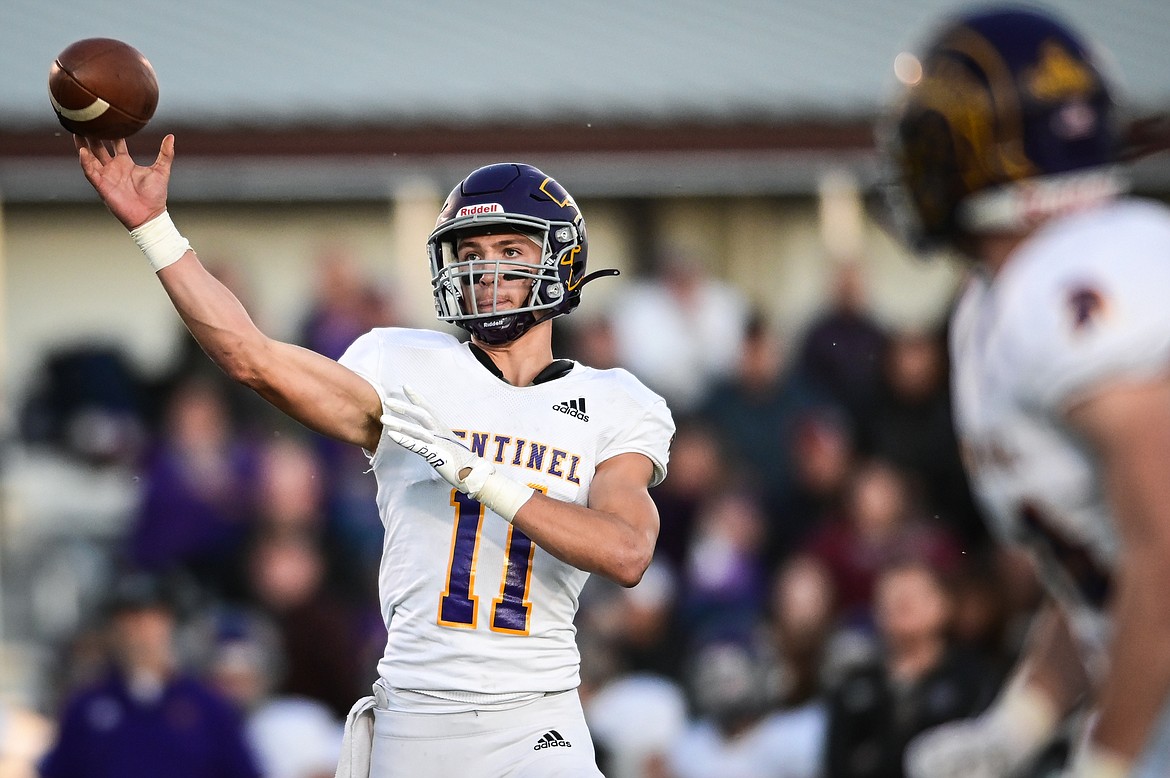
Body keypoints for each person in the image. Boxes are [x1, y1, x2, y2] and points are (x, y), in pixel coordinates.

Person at [72, 138, 674, 778]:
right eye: (469, 253)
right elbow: (252, 357)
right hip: (418, 714)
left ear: (560, 260)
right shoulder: (404, 364)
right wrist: (155, 230)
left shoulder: (612, 401)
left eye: (509, 250)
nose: (485, 270)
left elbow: (627, 551)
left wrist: (483, 477)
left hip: (537, 718)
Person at [880, 6, 1170, 776]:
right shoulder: (1000, 300)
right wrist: (1020, 720)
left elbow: (1167, 548)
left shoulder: (1078, 282)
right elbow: (1103, 561)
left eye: (934, 134)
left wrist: (1109, 760)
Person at [38, 571, 261, 778]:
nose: (140, 633)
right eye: (129, 621)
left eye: (151, 620)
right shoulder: (86, 708)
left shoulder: (207, 708)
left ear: (170, 625)